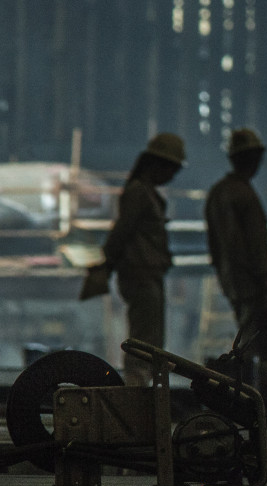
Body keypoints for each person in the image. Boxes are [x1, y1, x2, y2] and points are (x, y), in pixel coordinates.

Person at [102, 132, 185, 386]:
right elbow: (122, 232)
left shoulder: (145, 192)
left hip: (147, 274)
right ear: (157, 165)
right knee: (143, 343)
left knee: (150, 341)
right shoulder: (139, 193)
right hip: (141, 275)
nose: (172, 176)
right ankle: (135, 394)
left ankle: (141, 393)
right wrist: (107, 263)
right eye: (171, 169)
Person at [204, 128, 267, 346]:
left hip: (231, 282)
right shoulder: (245, 195)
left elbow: (214, 246)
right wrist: (266, 286)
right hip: (251, 284)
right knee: (254, 343)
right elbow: (257, 246)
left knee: (246, 334)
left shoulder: (217, 193)